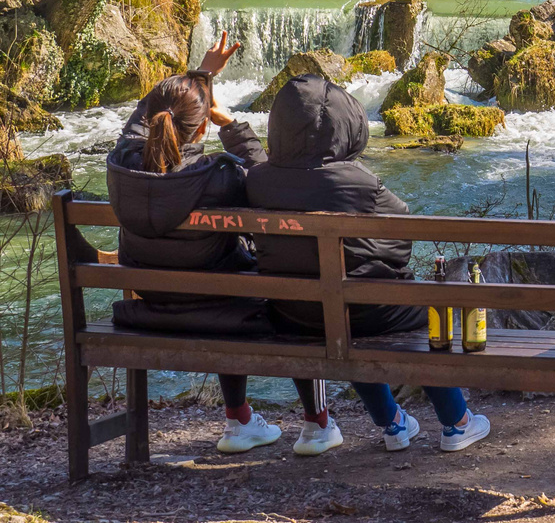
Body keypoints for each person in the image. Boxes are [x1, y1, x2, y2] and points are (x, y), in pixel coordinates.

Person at [245, 74, 490, 455]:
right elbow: (401, 237)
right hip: (368, 313)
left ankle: (393, 423)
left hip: (292, 315)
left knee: (339, 310)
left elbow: (256, 165)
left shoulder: (257, 182)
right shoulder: (361, 184)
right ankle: (457, 423)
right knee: (400, 307)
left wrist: (233, 130)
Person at [105, 33, 324, 455]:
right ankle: (316, 424)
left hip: (148, 304)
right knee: (295, 291)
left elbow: (143, 115)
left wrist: (199, 77)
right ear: (204, 125)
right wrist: (233, 125)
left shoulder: (122, 166)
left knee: (225, 278)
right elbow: (270, 186)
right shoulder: (218, 178)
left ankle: (239, 420)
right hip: (224, 308)